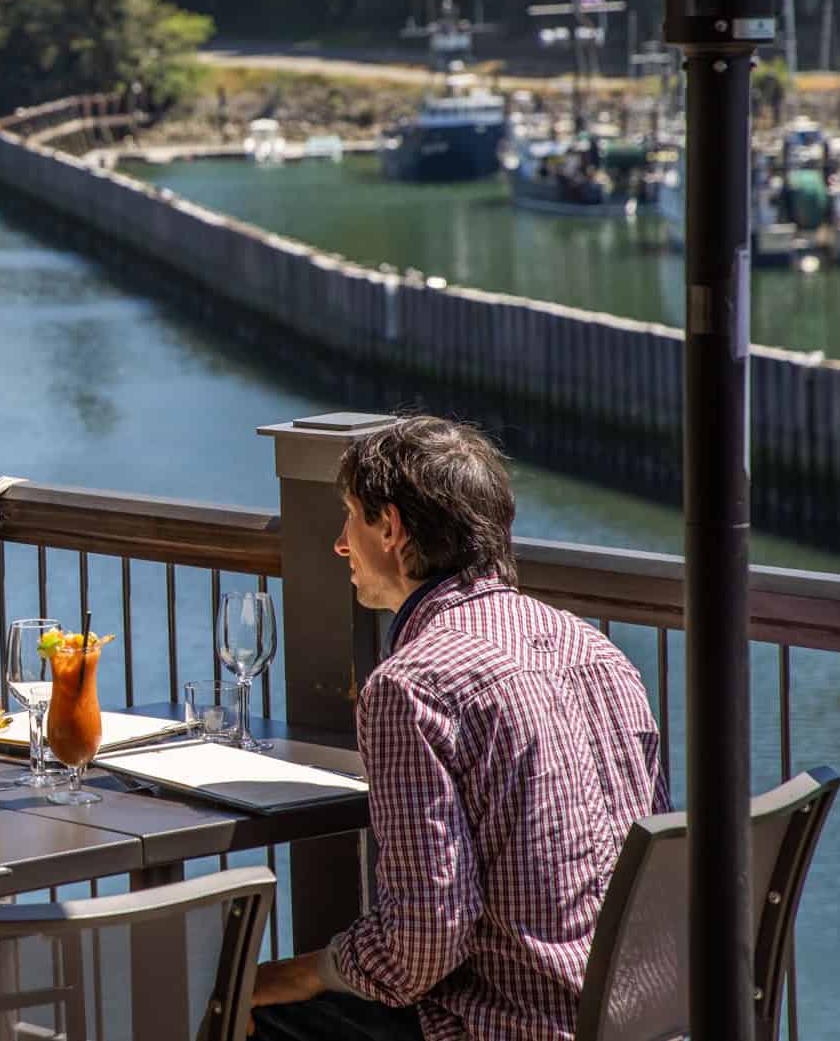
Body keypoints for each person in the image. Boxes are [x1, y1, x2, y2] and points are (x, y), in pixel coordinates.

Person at [250, 416, 665, 1041]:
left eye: (351, 517)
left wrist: (305, 971)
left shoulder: (411, 687)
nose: (339, 544)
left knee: (236, 1007)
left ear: (390, 528)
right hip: (639, 1019)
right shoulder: (598, 652)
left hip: (509, 1026)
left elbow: (423, 944)